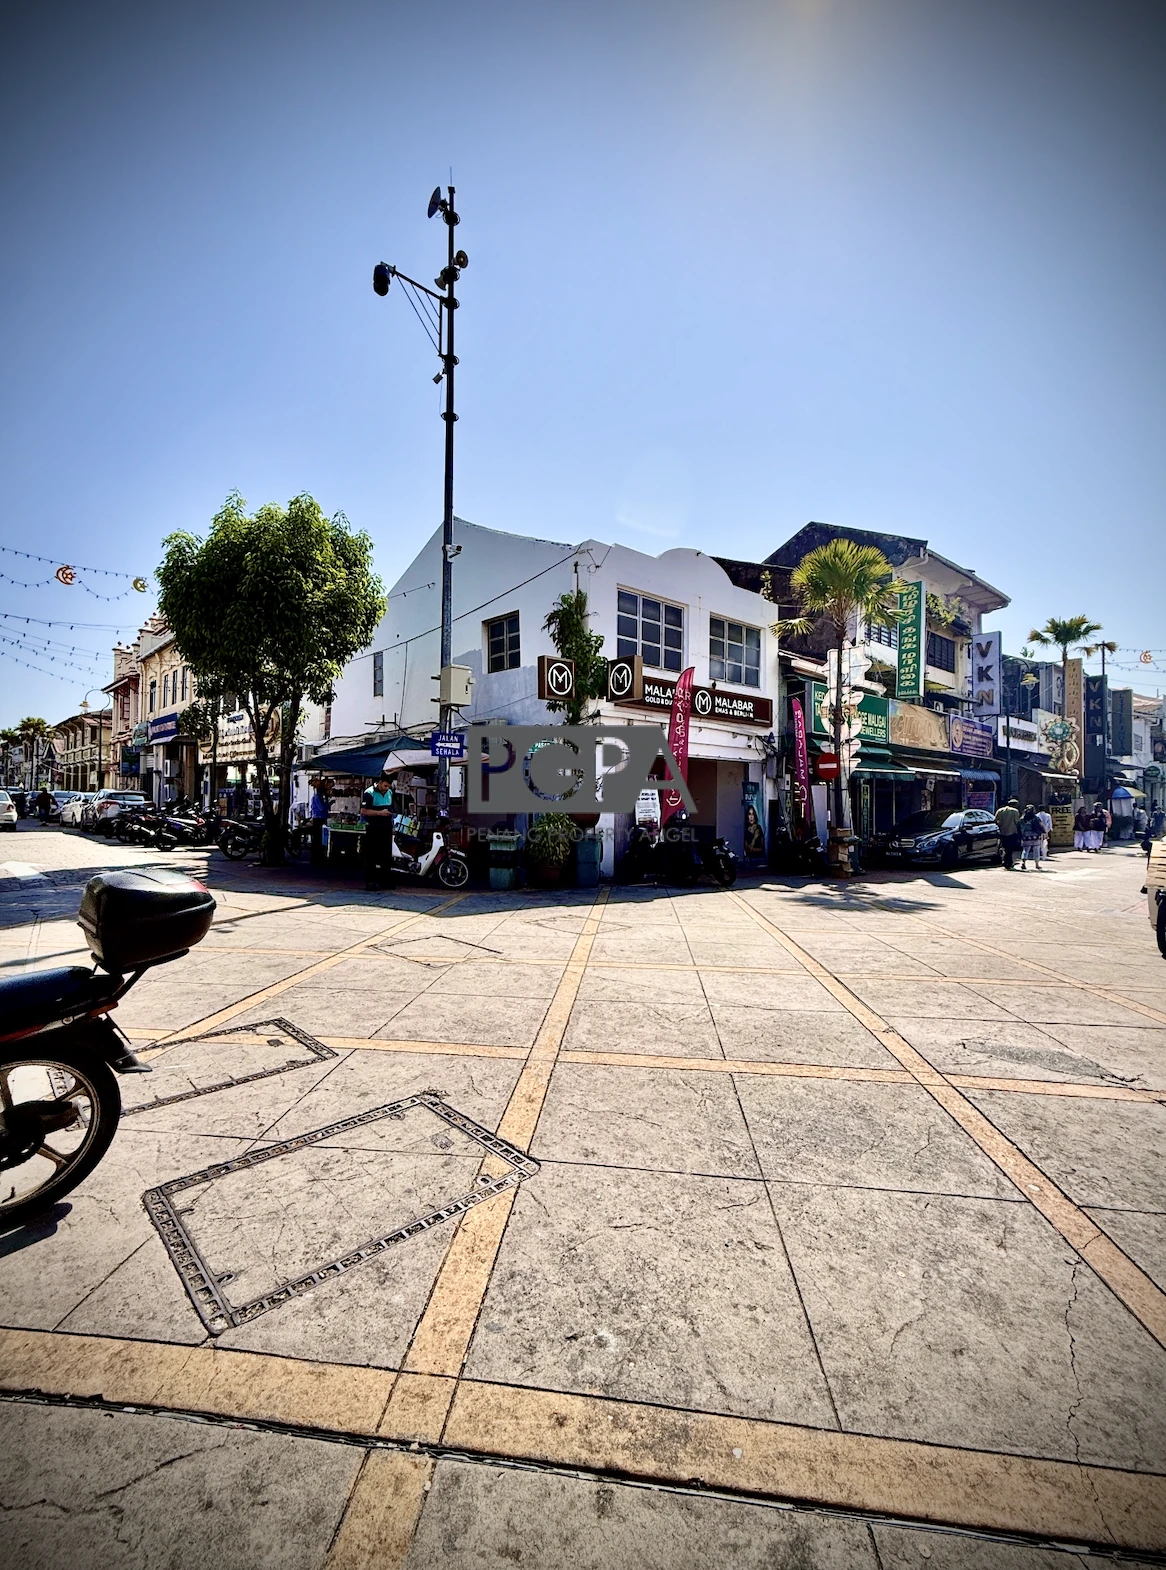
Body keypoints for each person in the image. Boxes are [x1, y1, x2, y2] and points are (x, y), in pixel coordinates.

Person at [360, 770, 396, 890]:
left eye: (388, 787)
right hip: (373, 828)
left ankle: (385, 880)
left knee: (386, 855)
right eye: (385, 786)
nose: (386, 788)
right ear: (379, 782)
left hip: (386, 828)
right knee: (372, 855)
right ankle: (371, 881)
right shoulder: (369, 793)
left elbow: (391, 809)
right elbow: (364, 811)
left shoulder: (390, 792)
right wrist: (380, 813)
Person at [994, 797, 1022, 870]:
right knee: (1010, 849)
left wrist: (1000, 826)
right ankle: (1008, 862)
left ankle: (1006, 861)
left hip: (1002, 832)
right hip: (1012, 832)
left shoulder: (1000, 810)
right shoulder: (1015, 811)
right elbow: (1017, 822)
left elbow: (995, 821)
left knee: (1005, 847)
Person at [309, 778, 331, 866]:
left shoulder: (321, 797)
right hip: (318, 819)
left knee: (320, 838)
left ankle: (319, 856)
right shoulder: (317, 797)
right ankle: (315, 858)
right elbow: (321, 808)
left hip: (322, 818)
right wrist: (329, 804)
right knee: (317, 839)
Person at [1019, 804, 1044, 870]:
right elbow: (1041, 825)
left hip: (1026, 835)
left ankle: (1023, 863)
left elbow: (1020, 827)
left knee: (1025, 850)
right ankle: (1037, 864)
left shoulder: (1022, 819)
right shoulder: (1036, 818)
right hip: (1035, 835)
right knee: (1036, 850)